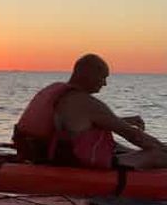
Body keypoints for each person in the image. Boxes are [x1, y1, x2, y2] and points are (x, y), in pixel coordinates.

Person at [12, 53, 167, 169]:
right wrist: (162, 148)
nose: (105, 84)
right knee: (157, 155)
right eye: (103, 77)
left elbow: (76, 124)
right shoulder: (86, 102)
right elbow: (133, 135)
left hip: (41, 155)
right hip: (74, 164)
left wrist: (123, 120)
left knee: (117, 146)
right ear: (89, 74)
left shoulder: (57, 92)